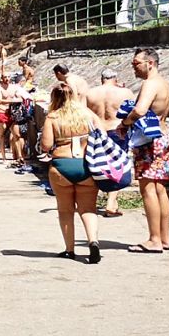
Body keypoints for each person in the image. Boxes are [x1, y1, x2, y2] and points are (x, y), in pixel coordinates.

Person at [39, 84, 102, 264]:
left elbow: (46, 145)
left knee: (65, 210)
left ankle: (69, 249)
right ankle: (93, 241)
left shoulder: (52, 117)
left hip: (61, 166)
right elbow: (103, 134)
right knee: (88, 208)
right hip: (86, 166)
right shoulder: (87, 114)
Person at [122, 48, 169, 253]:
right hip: (162, 138)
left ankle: (154, 239)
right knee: (160, 188)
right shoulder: (163, 83)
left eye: (136, 63)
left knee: (147, 189)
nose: (133, 67)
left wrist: (125, 124)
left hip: (149, 142)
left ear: (150, 63)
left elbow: (140, 109)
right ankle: (164, 238)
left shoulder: (150, 84)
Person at [86, 69, 135, 217]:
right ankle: (110, 204)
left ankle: (91, 203)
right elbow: (133, 112)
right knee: (116, 167)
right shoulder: (125, 93)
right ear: (115, 78)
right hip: (117, 130)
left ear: (102, 79)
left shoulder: (91, 93)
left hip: (97, 131)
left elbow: (84, 113)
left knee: (94, 165)